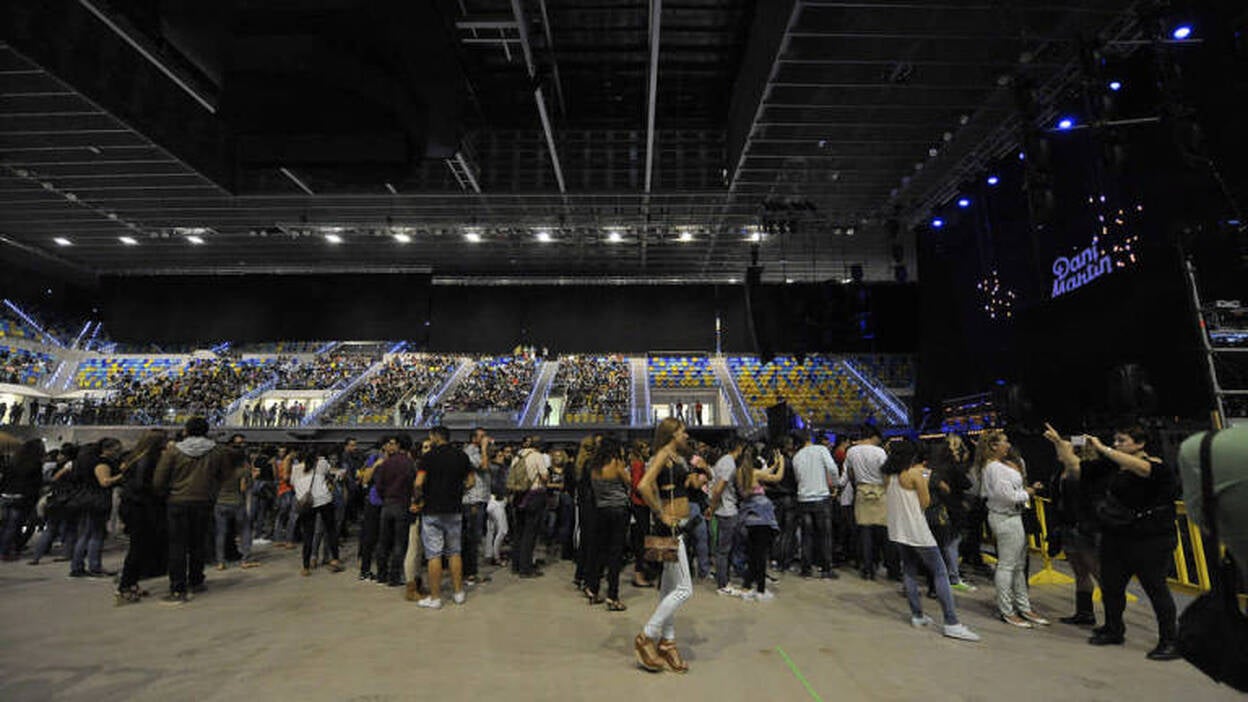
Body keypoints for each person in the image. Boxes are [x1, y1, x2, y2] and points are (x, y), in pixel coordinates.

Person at [1081, 425, 1181, 660]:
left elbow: (1144, 469)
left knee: (1156, 589)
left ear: (1140, 444)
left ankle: (1170, 641)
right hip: (1117, 537)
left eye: (1122, 440)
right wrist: (1060, 444)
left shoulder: (1156, 466)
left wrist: (1102, 448)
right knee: (1112, 587)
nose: (1117, 444)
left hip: (1151, 540)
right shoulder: (1115, 467)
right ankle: (1114, 629)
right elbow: (1077, 470)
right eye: (1115, 440)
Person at [883, 439, 980, 641]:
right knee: (940, 572)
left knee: (909, 570)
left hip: (898, 530)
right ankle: (951, 622)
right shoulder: (916, 474)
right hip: (917, 531)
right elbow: (925, 502)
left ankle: (917, 615)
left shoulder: (889, 475)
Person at [633, 418, 694, 674]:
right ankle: (646, 636)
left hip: (677, 525)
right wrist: (660, 513)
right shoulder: (662, 455)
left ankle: (667, 642)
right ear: (672, 434)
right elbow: (644, 485)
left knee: (668, 588)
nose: (686, 435)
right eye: (682, 431)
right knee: (685, 589)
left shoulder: (674, 456)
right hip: (669, 528)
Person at [153, 417, 229, 604]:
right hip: (204, 502)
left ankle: (178, 588)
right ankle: (196, 580)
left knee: (177, 545)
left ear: (186, 430)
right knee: (198, 543)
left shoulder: (173, 451)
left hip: (178, 501)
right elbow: (224, 476)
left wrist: (166, 492)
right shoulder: (217, 451)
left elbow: (159, 479)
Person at [977, 429, 1048, 628]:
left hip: (1011, 517)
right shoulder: (996, 468)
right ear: (994, 446)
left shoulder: (993, 466)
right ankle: (1007, 610)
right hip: (1005, 518)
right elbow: (1007, 496)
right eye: (1004, 442)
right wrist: (1029, 492)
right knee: (1008, 566)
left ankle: (1023, 607)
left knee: (1017, 566)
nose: (1008, 445)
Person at [1041, 423, 1110, 626]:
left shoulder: (1084, 471)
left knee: (1097, 572)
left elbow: (1075, 472)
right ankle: (1085, 613)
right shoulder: (1062, 471)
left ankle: (1112, 619)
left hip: (1085, 527)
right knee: (1080, 571)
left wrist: (1057, 441)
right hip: (1067, 526)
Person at [415, 426, 475, 609]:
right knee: (455, 552)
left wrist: (419, 498)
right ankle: (458, 593)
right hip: (454, 509)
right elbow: (471, 481)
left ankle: (435, 598)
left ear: (434, 437)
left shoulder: (427, 457)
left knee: (434, 554)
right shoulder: (461, 456)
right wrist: (458, 492)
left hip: (432, 510)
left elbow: (418, 482)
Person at [116, 429, 168, 604]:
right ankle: (125, 586)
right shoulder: (149, 460)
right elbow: (143, 485)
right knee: (138, 548)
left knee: (139, 547)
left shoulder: (133, 458)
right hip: (141, 508)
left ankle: (131, 583)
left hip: (132, 505)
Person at [583, 437, 632, 611]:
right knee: (615, 553)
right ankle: (612, 596)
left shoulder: (594, 466)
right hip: (618, 510)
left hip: (600, 510)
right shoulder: (616, 463)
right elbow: (629, 481)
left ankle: (593, 588)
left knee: (600, 551)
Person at [69, 437, 125, 578]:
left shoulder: (88, 461)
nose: (118, 452)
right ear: (107, 449)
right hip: (97, 501)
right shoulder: (102, 463)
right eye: (116, 449)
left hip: (87, 500)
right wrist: (121, 475)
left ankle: (77, 566)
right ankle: (94, 566)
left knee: (85, 534)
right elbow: (104, 482)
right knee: (96, 535)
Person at [734, 446, 785, 601]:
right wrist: (782, 463)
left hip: (749, 518)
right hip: (762, 519)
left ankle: (747, 585)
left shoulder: (741, 474)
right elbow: (777, 478)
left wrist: (774, 465)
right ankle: (760, 590)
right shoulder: (754, 473)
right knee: (761, 555)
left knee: (752, 554)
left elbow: (766, 472)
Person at [845, 427, 891, 580]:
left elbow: (850, 473)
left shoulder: (852, 451)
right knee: (883, 532)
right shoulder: (879, 452)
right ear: (873, 437)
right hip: (879, 491)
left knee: (864, 532)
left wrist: (856, 484)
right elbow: (885, 473)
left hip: (862, 490)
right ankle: (887, 566)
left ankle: (867, 568)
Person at [792, 433, 839, 579]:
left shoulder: (797, 456)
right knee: (824, 535)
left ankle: (806, 569)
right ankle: (826, 568)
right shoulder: (821, 450)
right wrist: (834, 484)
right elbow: (832, 468)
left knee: (807, 535)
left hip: (803, 499)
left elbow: (797, 478)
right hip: (821, 497)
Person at [372, 435, 416, 587]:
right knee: (399, 542)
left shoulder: (386, 463)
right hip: (402, 503)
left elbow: (378, 484)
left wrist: (385, 496)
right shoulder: (409, 464)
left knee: (383, 541)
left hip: (387, 503)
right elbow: (413, 485)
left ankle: (381, 574)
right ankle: (394, 576)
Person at [292, 449, 341, 575]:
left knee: (308, 534)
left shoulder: (296, 468)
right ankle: (335, 559)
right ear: (317, 457)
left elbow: (293, 483)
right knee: (331, 530)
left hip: (306, 503)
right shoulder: (322, 463)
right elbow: (329, 471)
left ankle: (306, 566)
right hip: (324, 500)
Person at [708, 439, 746, 596]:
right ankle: (723, 584)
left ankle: (724, 579)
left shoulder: (722, 461)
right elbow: (718, 489)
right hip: (727, 511)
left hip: (724, 510)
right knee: (724, 550)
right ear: (739, 448)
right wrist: (712, 507)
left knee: (724, 549)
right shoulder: (729, 464)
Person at [0, 438, 43, 561]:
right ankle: (5, 552)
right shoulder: (35, 464)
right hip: (21, 497)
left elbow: (4, 480)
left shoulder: (12, 462)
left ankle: (4, 549)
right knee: (13, 526)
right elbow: (36, 484)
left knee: (4, 524)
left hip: (6, 495)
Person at [462, 428, 492, 586]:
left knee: (475, 537)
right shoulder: (470, 451)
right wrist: (485, 449)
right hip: (472, 500)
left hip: (480, 498)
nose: (485, 439)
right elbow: (483, 466)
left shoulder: (478, 451)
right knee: (472, 538)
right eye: (482, 437)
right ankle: (470, 573)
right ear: (474, 438)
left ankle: (470, 571)